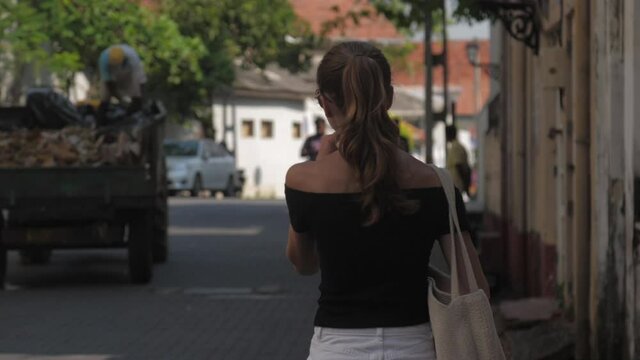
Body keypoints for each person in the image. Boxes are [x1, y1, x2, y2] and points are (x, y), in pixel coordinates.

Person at [284, 41, 489, 359]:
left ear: (324, 104)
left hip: (336, 348)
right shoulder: (434, 182)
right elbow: (473, 284)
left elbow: (304, 264)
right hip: (414, 347)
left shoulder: (302, 180)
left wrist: (319, 164)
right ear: (389, 97)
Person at [98, 44, 147, 116]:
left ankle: (137, 112)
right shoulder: (103, 60)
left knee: (137, 94)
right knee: (105, 97)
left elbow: (139, 80)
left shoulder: (132, 57)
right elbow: (108, 82)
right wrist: (121, 99)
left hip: (129, 69)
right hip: (112, 71)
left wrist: (138, 98)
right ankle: (100, 121)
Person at [445, 124, 472, 194]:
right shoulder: (456, 146)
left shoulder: (456, 147)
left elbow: (459, 166)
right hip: (456, 185)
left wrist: (466, 185)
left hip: (457, 185)